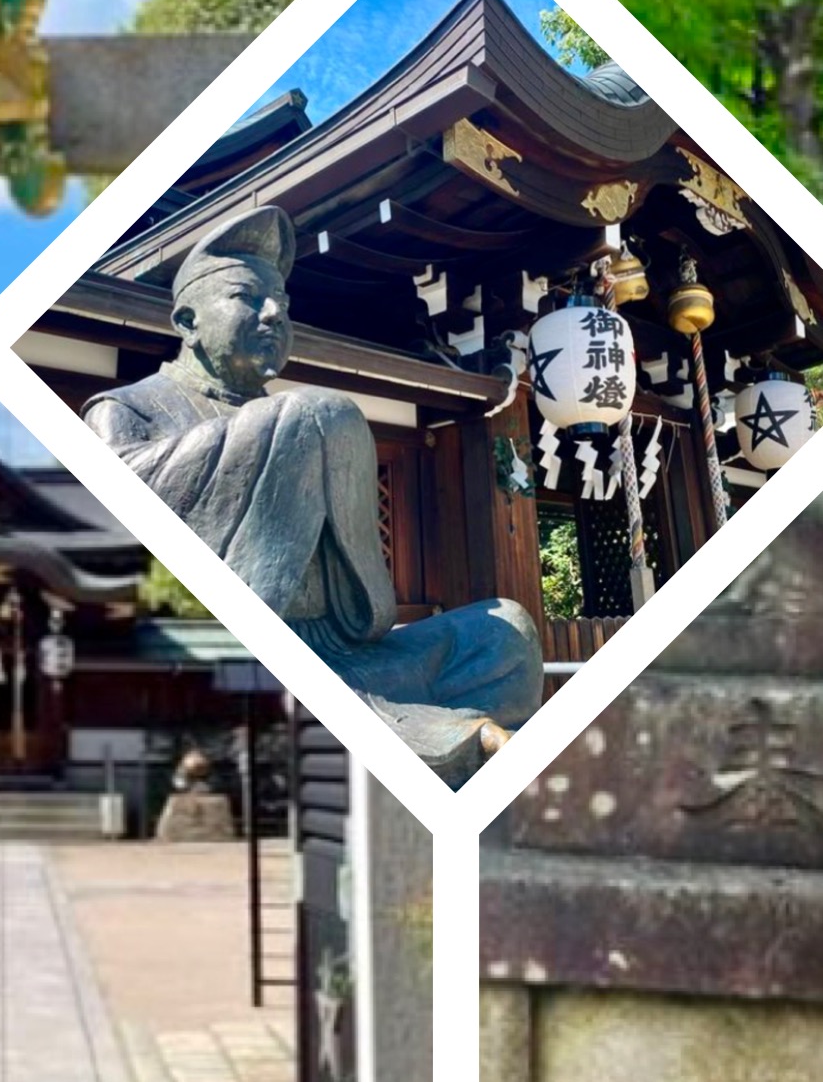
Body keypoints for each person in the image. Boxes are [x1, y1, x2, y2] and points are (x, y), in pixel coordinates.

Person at [83, 205, 541, 783]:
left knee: (506, 631)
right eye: (247, 297)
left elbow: (365, 614)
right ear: (186, 320)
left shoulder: (300, 416)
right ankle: (429, 737)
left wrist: (295, 434)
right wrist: (281, 434)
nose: (274, 313)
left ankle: (409, 727)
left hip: (342, 651)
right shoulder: (128, 412)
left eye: (283, 304)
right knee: (312, 412)